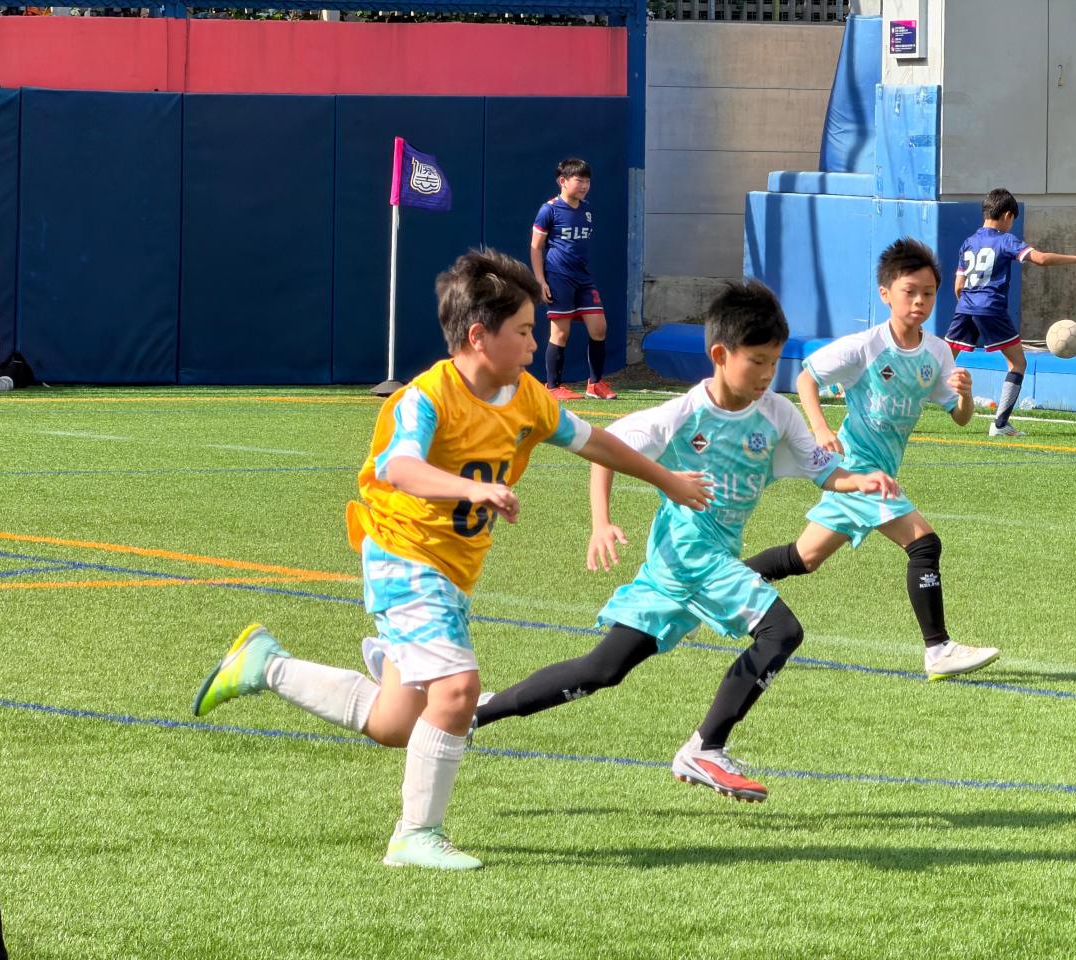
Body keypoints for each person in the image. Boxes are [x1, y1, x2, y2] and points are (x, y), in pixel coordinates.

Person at [191, 248, 712, 870]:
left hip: (451, 570)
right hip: (402, 554)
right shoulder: (425, 399)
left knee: (395, 723)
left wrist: (666, 480)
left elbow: (593, 441)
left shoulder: (527, 397)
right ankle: (415, 836)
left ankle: (266, 666)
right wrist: (472, 489)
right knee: (459, 690)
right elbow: (400, 468)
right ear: (478, 336)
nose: (535, 344)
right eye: (523, 331)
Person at [472, 279, 899, 803]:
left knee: (602, 670)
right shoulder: (683, 416)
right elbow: (605, 449)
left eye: (774, 362)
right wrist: (601, 522)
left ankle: (478, 712)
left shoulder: (778, 414)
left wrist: (859, 480)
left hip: (682, 568)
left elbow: (823, 471)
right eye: (756, 361)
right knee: (781, 632)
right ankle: (706, 747)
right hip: (691, 557)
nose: (767, 374)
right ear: (720, 355)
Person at [744, 238, 1000, 681]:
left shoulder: (937, 353)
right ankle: (938, 649)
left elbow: (960, 418)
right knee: (924, 543)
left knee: (804, 558)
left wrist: (965, 395)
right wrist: (820, 429)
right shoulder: (865, 346)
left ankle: (721, 582)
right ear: (886, 294)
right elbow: (806, 377)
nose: (919, 301)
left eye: (928, 293)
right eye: (909, 291)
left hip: (869, 474)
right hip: (858, 470)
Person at [945, 187, 1076, 436]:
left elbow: (958, 286)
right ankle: (1000, 425)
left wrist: (969, 306)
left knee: (942, 360)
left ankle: (905, 405)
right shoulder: (1006, 240)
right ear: (1007, 215)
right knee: (1017, 363)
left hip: (965, 307)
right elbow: (1041, 259)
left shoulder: (969, 243)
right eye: (1012, 220)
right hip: (991, 308)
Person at [531, 157, 616, 402]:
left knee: (599, 328)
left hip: (583, 278)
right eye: (579, 180)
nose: (584, 185)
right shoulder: (549, 210)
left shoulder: (587, 210)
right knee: (560, 333)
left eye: (587, 181)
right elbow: (536, 247)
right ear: (563, 181)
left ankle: (595, 384)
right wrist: (541, 281)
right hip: (558, 278)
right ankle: (553, 386)